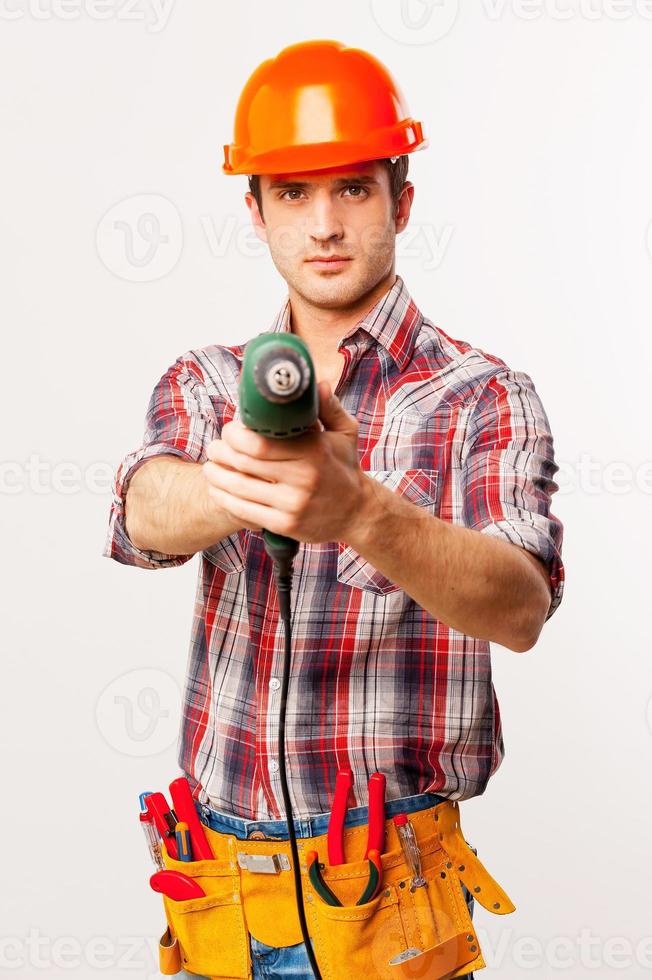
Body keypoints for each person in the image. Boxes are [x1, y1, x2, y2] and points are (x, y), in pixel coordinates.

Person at [103, 40, 564, 980]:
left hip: (390, 897)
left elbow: (520, 605)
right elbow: (139, 513)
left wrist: (361, 511)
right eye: (292, 193)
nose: (323, 224)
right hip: (224, 896)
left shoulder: (484, 398)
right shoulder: (208, 384)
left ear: (402, 199)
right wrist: (233, 481)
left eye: (352, 189)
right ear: (255, 212)